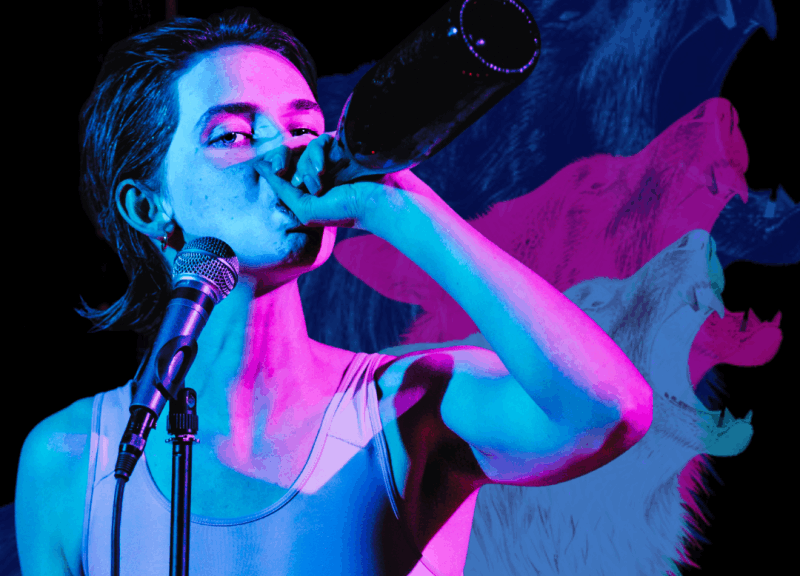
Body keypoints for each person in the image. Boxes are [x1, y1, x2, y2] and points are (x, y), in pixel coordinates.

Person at [15, 8, 653, 576]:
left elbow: (607, 410)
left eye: (302, 127)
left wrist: (401, 207)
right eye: (233, 135)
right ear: (148, 207)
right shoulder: (72, 457)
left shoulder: (407, 406)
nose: (287, 153)